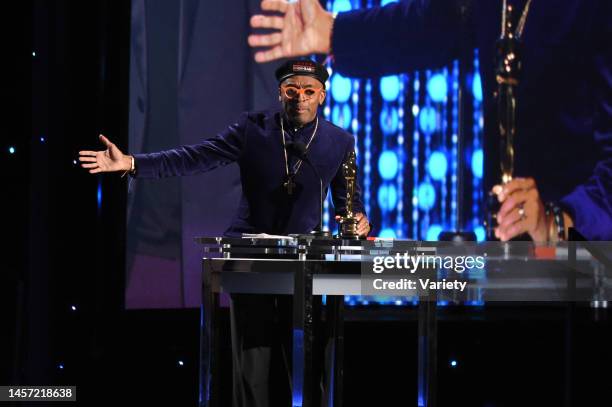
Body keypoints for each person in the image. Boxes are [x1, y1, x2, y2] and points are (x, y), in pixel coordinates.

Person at [79, 59, 371, 406]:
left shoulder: (339, 141)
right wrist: (132, 163)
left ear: (322, 95)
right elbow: (196, 156)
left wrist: (359, 219)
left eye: (309, 91)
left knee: (306, 363)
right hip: (249, 259)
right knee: (253, 363)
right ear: (280, 92)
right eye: (292, 90)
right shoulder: (254, 129)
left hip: (304, 267)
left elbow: (349, 202)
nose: (300, 98)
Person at [248, 0, 612, 242]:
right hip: (515, 249)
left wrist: (559, 220)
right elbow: (433, 24)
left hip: (589, 255)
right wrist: (334, 32)